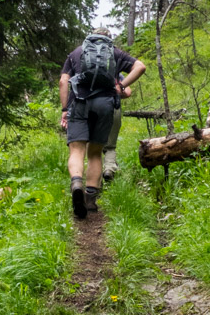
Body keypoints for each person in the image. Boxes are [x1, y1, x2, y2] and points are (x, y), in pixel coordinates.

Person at [59, 29, 146, 219]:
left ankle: (76, 184)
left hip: (79, 103)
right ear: (108, 39)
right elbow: (140, 67)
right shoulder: (115, 52)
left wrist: (65, 109)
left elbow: (63, 81)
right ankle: (90, 200)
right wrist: (121, 86)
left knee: (76, 150)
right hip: (105, 105)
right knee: (95, 152)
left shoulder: (76, 52)